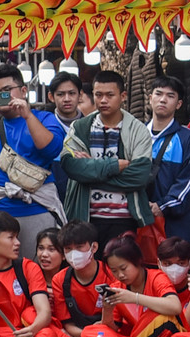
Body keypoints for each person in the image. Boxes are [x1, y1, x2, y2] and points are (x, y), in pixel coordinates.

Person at [0, 64, 66, 256]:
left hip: (39, 208)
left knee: (40, 270)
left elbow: (51, 149)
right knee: (1, 272)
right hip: (0, 211)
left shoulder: (44, 118)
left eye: (8, 90)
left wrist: (27, 115)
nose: (3, 96)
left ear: (23, 91)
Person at [59, 70, 155, 242]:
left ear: (123, 96)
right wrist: (112, 166)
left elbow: (139, 176)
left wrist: (90, 171)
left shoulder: (137, 130)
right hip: (85, 217)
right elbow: (70, 166)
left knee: (121, 267)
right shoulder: (79, 128)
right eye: (98, 95)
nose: (103, 100)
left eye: (110, 95)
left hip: (124, 219)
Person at [82, 235, 184, 337]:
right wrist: (108, 311)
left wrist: (135, 298)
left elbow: (175, 306)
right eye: (114, 271)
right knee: (91, 331)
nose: (120, 274)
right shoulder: (117, 287)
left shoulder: (156, 277)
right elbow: (112, 329)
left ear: (137, 261)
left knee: (156, 315)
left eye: (123, 268)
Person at [148, 76, 190, 251]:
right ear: (150, 98)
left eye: (170, 96)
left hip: (177, 226)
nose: (163, 99)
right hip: (139, 222)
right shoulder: (137, 133)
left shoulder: (188, 139)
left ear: (179, 104)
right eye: (158, 94)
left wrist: (162, 206)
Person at [47, 220, 105, 337]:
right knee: (51, 330)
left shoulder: (109, 274)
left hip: (106, 331)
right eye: (68, 249)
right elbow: (67, 324)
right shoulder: (59, 279)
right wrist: (85, 335)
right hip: (76, 333)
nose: (74, 253)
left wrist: (95, 335)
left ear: (94, 247)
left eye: (79, 247)